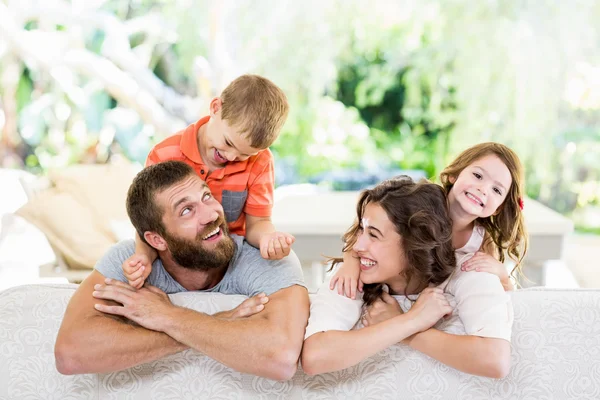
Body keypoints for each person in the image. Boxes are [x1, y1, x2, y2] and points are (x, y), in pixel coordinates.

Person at [54, 161, 309, 381]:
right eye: (186, 210)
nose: (211, 214)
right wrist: (218, 321)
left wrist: (167, 316)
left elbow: (281, 357)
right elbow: (70, 353)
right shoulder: (131, 263)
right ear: (156, 241)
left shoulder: (268, 258)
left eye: (207, 196)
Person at [301, 176, 513, 378]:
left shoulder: (468, 270)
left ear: (415, 244)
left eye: (373, 235)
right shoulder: (352, 276)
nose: (357, 246)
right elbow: (315, 356)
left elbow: (495, 360)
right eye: (361, 231)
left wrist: (407, 331)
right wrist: (411, 321)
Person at [123, 74, 296, 289]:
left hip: (229, 259)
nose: (232, 157)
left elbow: (258, 223)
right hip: (181, 258)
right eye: (228, 143)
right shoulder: (164, 154)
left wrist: (268, 238)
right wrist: (144, 256)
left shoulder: (260, 161)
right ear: (215, 108)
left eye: (244, 154)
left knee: (286, 267)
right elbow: (151, 223)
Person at [330, 142, 528, 297]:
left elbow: (503, 298)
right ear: (455, 174)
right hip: (390, 293)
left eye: (496, 190)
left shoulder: (482, 241)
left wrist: (501, 274)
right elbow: (362, 235)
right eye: (477, 175)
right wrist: (349, 263)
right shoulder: (422, 204)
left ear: (499, 207)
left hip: (431, 305)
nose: (482, 189)